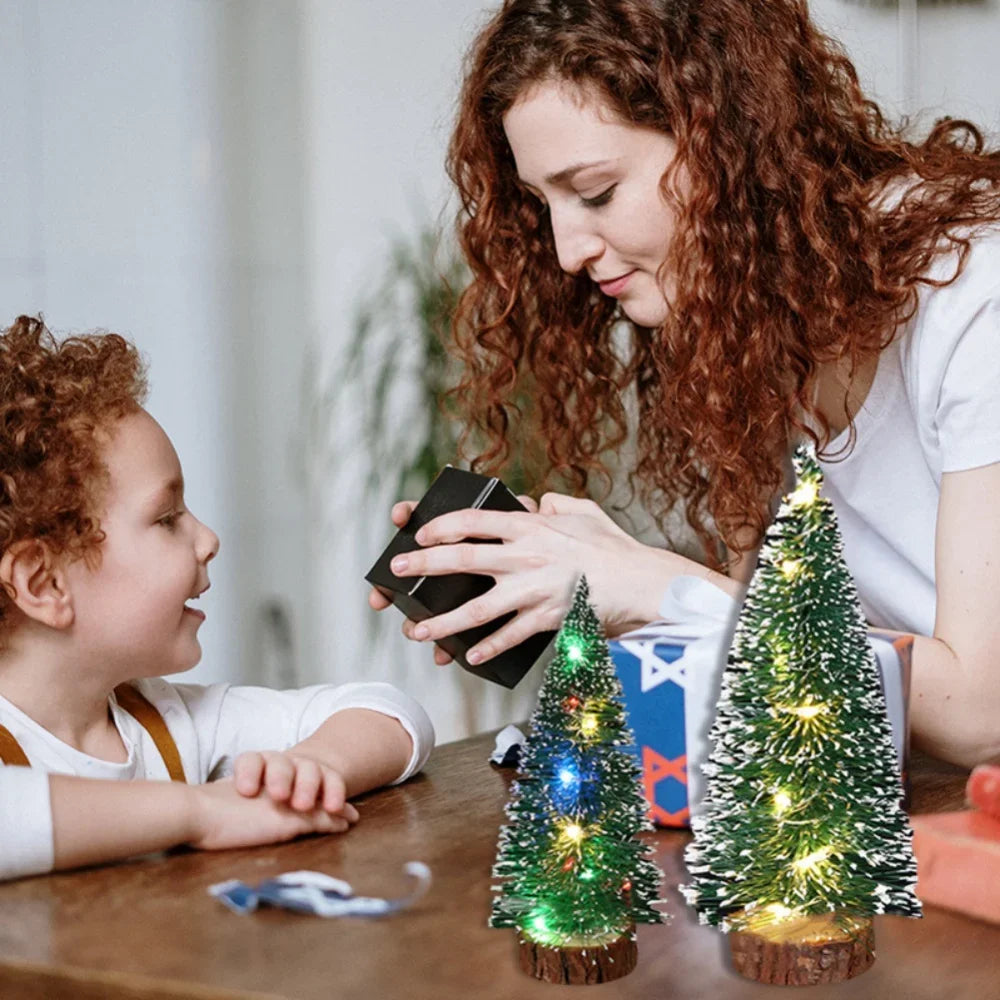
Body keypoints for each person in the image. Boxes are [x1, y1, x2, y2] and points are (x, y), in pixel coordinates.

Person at [370, 0, 1000, 769]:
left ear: (729, 141)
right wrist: (581, 580)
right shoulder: (747, 327)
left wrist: (657, 585)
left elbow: (980, 714)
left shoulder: (977, 292)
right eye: (545, 205)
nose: (567, 250)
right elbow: (783, 667)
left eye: (596, 192)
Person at [0, 315, 434, 881]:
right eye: (165, 518)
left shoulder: (168, 721)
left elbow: (395, 714)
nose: (208, 539)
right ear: (44, 584)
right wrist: (204, 812)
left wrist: (312, 766)